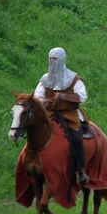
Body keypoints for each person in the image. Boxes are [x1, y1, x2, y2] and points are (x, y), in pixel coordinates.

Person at [35, 47, 90, 187]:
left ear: (62, 60)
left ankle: (81, 171)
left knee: (77, 139)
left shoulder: (73, 79)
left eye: (55, 59)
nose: (53, 61)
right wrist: (43, 101)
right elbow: (37, 96)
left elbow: (82, 97)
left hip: (69, 115)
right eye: (51, 59)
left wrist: (64, 96)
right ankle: (32, 167)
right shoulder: (45, 80)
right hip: (51, 115)